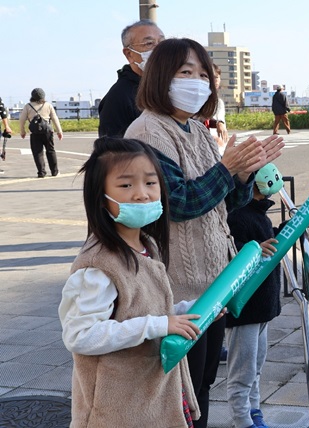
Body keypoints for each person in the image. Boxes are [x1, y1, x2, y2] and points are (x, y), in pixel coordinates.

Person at [123, 37, 284, 428]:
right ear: (161, 77)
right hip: (177, 291)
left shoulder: (197, 129)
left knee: (203, 384)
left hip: (213, 286)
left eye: (202, 75)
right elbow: (179, 202)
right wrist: (227, 168)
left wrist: (244, 173)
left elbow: (225, 202)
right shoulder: (148, 132)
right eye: (185, 73)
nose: (197, 83)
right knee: (182, 394)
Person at [59, 136, 206, 427]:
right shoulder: (98, 265)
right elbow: (80, 335)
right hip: (116, 411)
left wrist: (191, 311)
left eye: (150, 182)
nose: (142, 194)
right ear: (101, 197)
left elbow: (146, 310)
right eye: (126, 185)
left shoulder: (145, 245)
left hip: (151, 401)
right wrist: (158, 325)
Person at [225, 163, 285, 428]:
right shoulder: (237, 215)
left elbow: (270, 243)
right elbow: (229, 250)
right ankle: (242, 420)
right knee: (243, 371)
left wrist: (297, 226)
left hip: (261, 307)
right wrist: (253, 250)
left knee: (256, 367)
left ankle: (254, 411)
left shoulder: (258, 213)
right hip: (245, 308)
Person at [98, 20, 165, 137]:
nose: (159, 49)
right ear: (129, 54)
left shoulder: (170, 87)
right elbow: (113, 147)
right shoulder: (118, 97)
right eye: (149, 43)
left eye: (162, 43)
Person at [19, 88, 63, 178]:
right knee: (50, 151)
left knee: (37, 153)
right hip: (48, 132)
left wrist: (22, 131)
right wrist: (59, 131)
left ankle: (41, 172)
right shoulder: (48, 105)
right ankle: (55, 171)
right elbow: (55, 118)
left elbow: (22, 120)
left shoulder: (28, 106)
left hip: (35, 133)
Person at [207, 63, 229, 154]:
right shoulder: (199, 100)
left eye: (216, 77)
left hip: (218, 146)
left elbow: (219, 117)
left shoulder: (218, 101)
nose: (214, 80)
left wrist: (219, 123)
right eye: (211, 77)